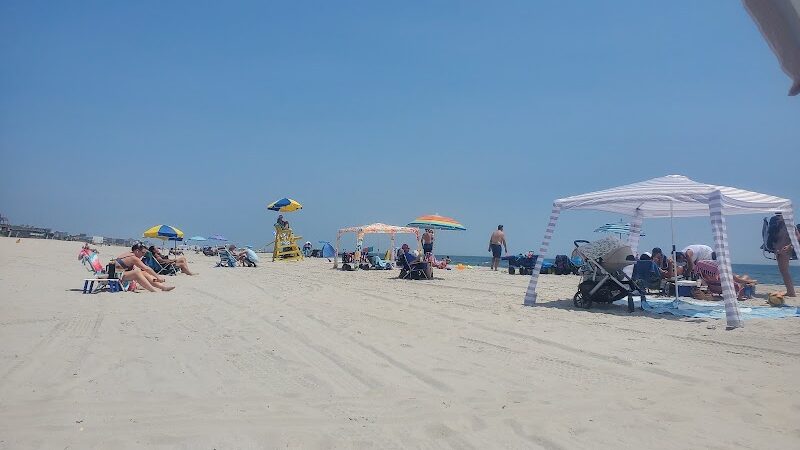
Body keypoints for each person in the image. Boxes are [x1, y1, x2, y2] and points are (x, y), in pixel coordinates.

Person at [770, 213, 798, 297]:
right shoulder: (777, 224)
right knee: (783, 271)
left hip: (785, 250)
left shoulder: (789, 224)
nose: (777, 216)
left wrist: (789, 246)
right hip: (779, 250)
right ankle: (790, 291)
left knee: (784, 271)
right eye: (777, 215)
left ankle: (791, 292)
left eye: (779, 215)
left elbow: (797, 236)